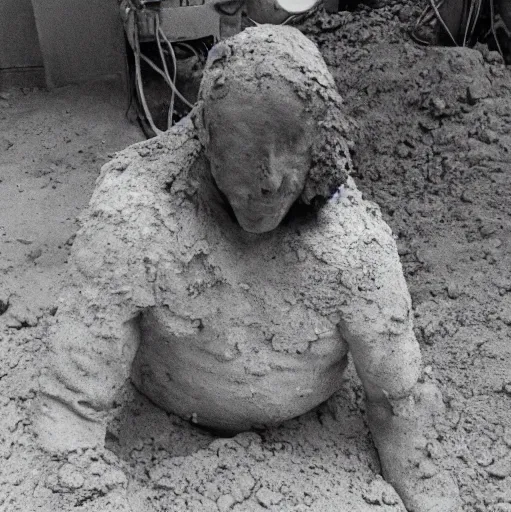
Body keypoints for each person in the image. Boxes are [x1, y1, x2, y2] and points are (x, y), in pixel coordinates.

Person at [32, 25, 459, 512]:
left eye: (290, 147)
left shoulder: (352, 248)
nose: (270, 180)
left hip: (305, 453)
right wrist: (81, 485)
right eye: (243, 150)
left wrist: (419, 481)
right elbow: (73, 401)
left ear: (320, 144)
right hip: (168, 410)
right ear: (206, 137)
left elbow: (398, 398)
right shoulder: (136, 217)